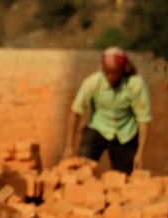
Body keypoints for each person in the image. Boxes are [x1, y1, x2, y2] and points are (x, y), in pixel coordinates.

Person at [64, 46, 152, 174]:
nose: (111, 76)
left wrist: (140, 153)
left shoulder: (135, 85)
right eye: (107, 72)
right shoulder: (92, 83)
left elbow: (144, 121)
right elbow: (75, 113)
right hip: (98, 129)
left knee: (125, 178)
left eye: (115, 72)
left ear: (123, 71)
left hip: (126, 134)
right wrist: (69, 146)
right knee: (82, 172)